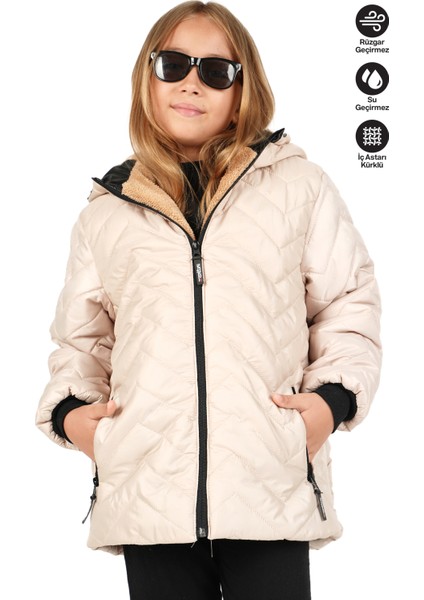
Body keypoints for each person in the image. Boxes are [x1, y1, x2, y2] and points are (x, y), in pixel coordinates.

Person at [36, 2, 382, 599]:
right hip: (149, 489)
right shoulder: (107, 213)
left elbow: (348, 302)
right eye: (173, 65)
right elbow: (82, 339)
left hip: (268, 482)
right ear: (148, 78)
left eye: (216, 71)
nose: (191, 83)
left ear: (243, 90)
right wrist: (72, 414)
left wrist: (331, 402)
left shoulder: (298, 188)